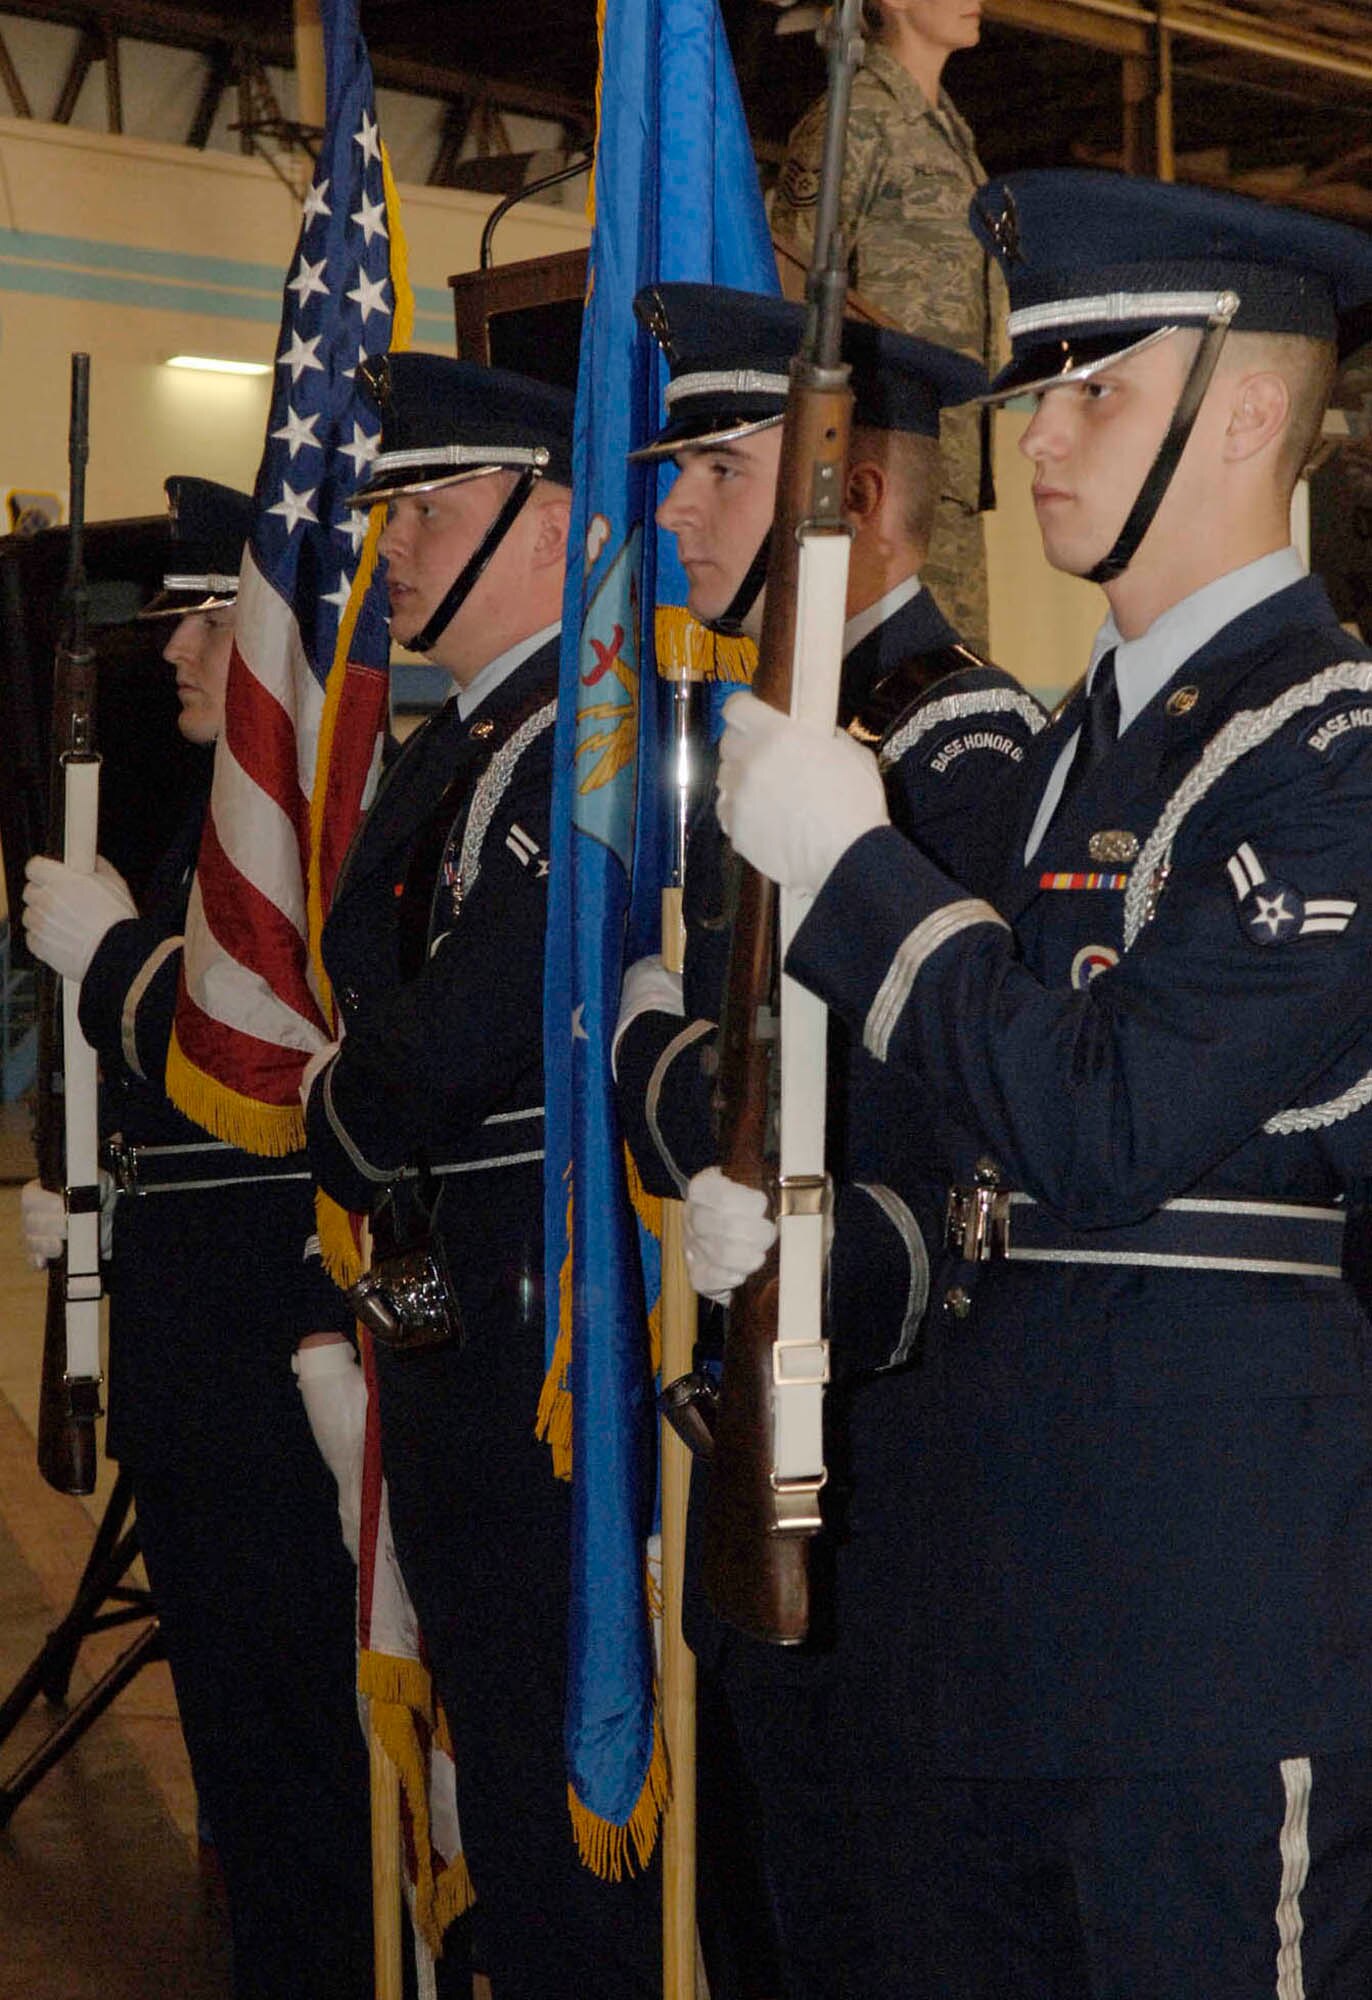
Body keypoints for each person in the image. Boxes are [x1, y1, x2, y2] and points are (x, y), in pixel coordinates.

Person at [710, 170, 1372, 1996]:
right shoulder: (1055, 764)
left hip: (1206, 1645)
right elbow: (966, 1156)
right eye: (1038, 391)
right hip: (989, 1634)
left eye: (1097, 388)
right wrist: (824, 1254)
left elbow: (1106, 1116)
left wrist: (855, 879)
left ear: (1247, 412)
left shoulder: (1332, 753)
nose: (1042, 440)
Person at [613, 282, 1045, 1997]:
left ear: (847, 498)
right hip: (758, 1445)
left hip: (887, 1488)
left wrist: (648, 1046)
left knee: (861, 1929)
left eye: (719, 467)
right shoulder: (776, 732)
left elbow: (938, 1146)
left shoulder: (954, 744)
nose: (672, 508)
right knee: (764, 1919)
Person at [299, 351, 661, 1999]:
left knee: (545, 1755)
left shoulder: (588, 729)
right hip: (465, 1313)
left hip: (544, 1322)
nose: (399, 549)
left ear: (552, 517)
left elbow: (459, 1031)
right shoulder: (478, 742)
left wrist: (350, 1095)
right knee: (498, 1763)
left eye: (432, 511)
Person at [19, 478, 376, 2000]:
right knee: (241, 1745)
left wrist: (111, 966)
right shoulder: (214, 837)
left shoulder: (296, 836)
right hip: (197, 1355)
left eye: (210, 617)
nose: (171, 646)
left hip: (259, 1368)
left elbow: (273, 1077)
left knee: (297, 1755)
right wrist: (106, 1200)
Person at [770, 0, 1003, 651]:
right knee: (883, 689)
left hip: (944, 470)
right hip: (872, 474)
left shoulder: (949, 133)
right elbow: (790, 279)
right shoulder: (856, 119)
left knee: (952, 686)